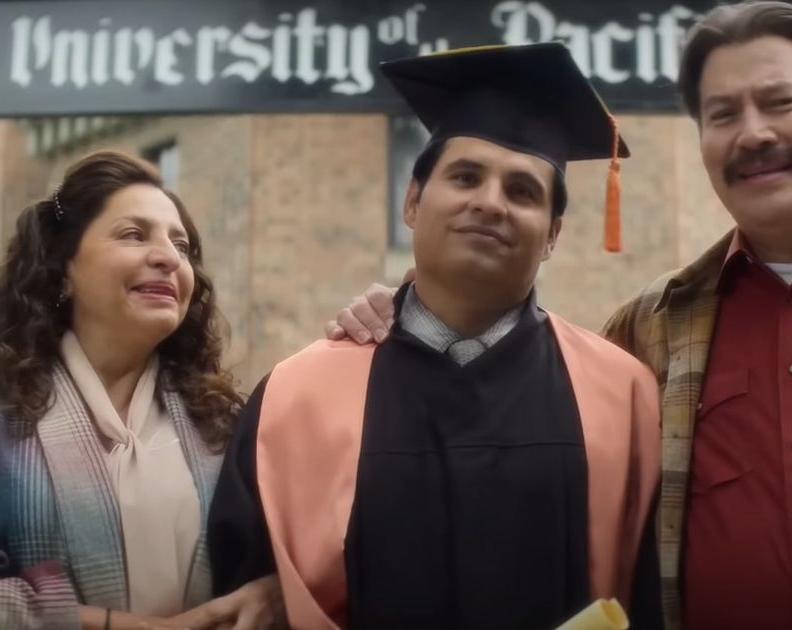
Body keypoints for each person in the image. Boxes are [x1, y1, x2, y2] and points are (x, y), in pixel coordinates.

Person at [327, 3, 792, 629]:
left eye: (780, 102)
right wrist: (418, 317)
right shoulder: (647, 333)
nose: (752, 132)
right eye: (723, 114)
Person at [208, 43, 663, 630]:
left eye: (523, 191)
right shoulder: (296, 400)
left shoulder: (621, 396)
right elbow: (243, 599)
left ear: (552, 235)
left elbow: (654, 597)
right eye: (466, 176)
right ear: (413, 202)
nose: (490, 203)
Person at [0, 151, 283, 629]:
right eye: (134, 235)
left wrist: (275, 592)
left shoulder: (223, 421)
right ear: (63, 266)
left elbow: (290, 555)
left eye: (181, 247)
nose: (168, 258)